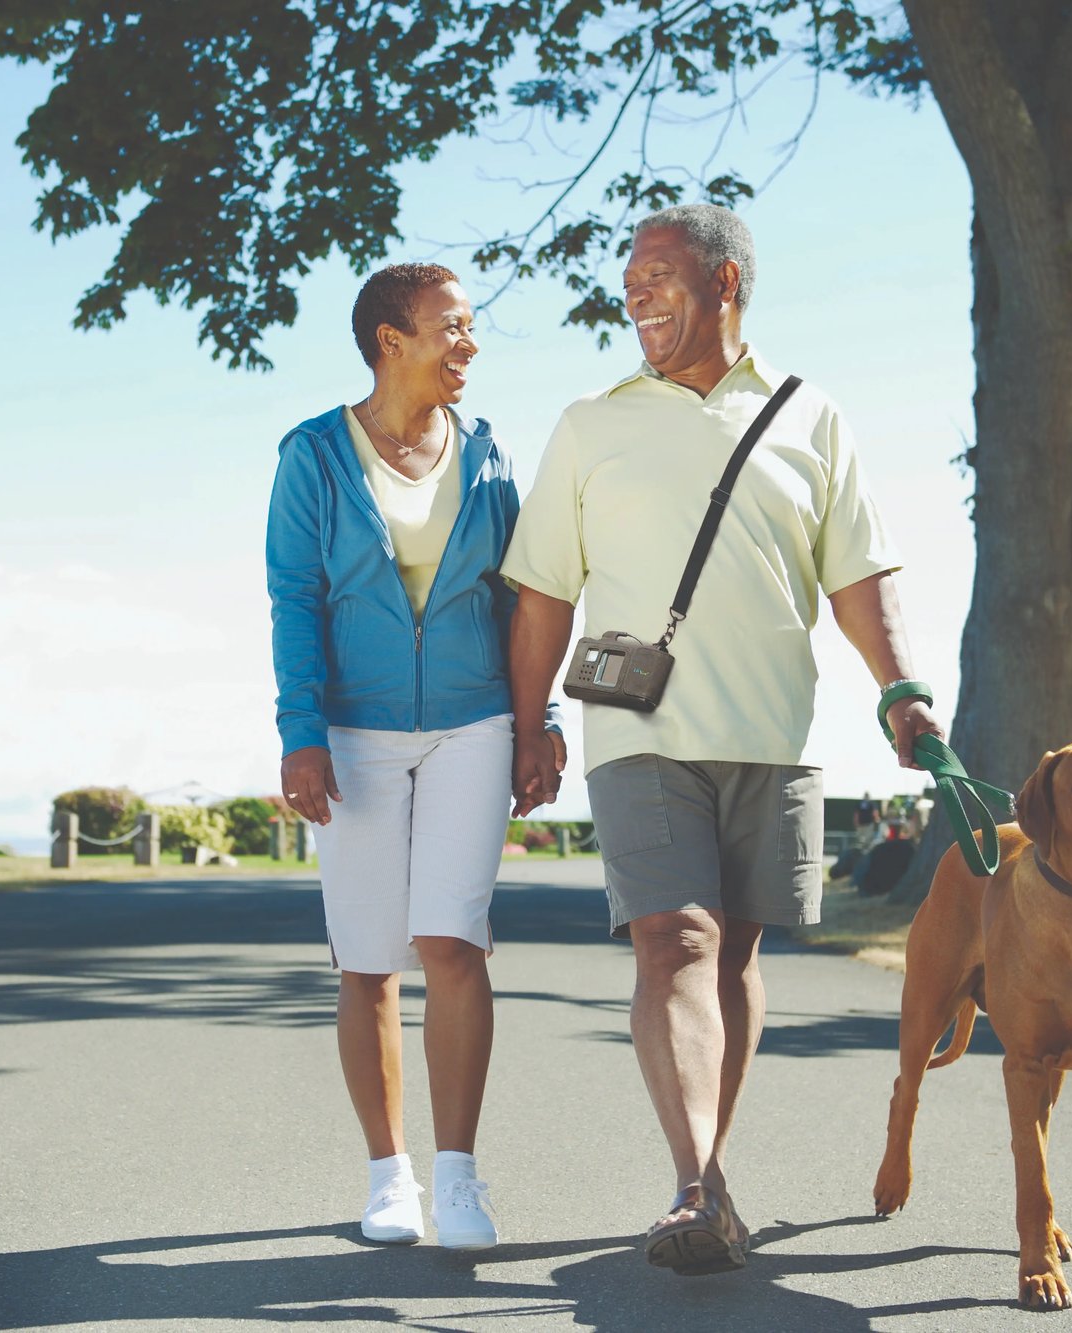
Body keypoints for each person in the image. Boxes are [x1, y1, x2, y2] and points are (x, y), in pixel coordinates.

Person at [502, 204, 943, 1275]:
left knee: (736, 950)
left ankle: (711, 1173)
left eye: (657, 272)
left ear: (726, 281)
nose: (633, 292)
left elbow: (857, 574)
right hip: (635, 730)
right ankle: (693, 1184)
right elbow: (539, 596)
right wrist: (533, 726)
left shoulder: (808, 415)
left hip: (772, 731)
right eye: (628, 277)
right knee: (675, 939)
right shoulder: (588, 423)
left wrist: (902, 689)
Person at [265, 262, 562, 1251]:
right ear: (389, 339)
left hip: (473, 722)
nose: (468, 343)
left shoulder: (486, 453)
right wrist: (299, 732)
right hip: (353, 732)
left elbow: (525, 597)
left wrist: (537, 721)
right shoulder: (311, 454)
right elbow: (294, 598)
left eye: (469, 326)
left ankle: (458, 1174)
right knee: (367, 958)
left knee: (452, 938)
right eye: (450, 326)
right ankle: (387, 1172)